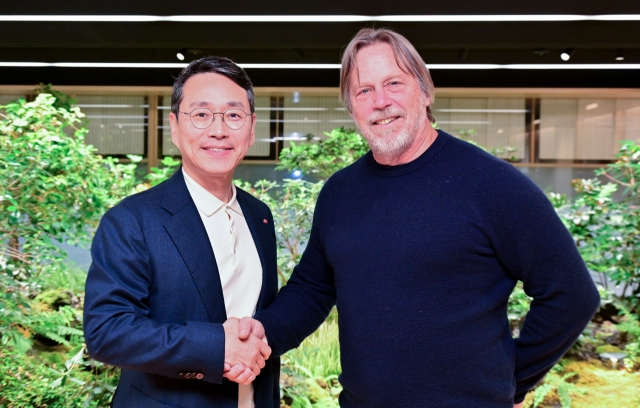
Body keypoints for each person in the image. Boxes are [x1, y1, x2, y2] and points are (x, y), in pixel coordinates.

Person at [233, 28, 601, 407]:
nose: (380, 101)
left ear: (425, 92)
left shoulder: (491, 184)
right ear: (352, 107)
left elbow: (571, 294)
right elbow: (312, 290)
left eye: (394, 83)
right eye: (364, 90)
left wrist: (511, 380)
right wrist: (261, 334)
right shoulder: (340, 193)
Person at [84, 56, 280, 408]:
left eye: (233, 115)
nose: (218, 130)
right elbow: (106, 332)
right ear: (174, 126)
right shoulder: (132, 220)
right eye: (201, 114)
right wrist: (216, 346)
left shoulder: (259, 216)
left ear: (251, 129)